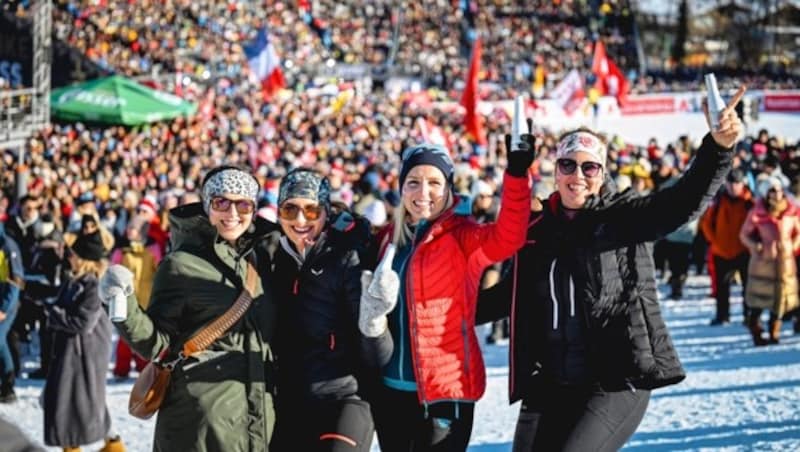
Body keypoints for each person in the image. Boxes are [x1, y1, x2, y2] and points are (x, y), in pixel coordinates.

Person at [476, 86, 745, 452]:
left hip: (615, 378)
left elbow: (681, 202)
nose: (578, 175)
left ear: (602, 173)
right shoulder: (538, 230)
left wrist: (718, 148)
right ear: (555, 171)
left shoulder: (624, 216)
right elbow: (507, 297)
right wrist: (435, 308)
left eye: (590, 166)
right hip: (552, 378)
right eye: (568, 164)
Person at [364, 139, 534, 451]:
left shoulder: (463, 236)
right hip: (391, 388)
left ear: (449, 189)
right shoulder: (389, 237)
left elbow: (508, 237)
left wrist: (517, 175)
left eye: (434, 183)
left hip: (446, 388)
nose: (423, 193)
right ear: (401, 188)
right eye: (413, 182)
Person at [99, 165, 279, 451]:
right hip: (200, 425)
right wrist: (124, 305)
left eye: (243, 204)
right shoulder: (180, 264)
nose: (233, 213)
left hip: (259, 422)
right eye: (222, 202)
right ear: (207, 205)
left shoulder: (260, 261)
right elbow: (157, 344)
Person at [267, 168, 389, 451]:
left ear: (325, 212)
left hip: (345, 397)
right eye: (290, 209)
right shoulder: (272, 256)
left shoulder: (348, 256)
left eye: (311, 211)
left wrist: (375, 324)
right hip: (291, 398)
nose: (299, 220)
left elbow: (378, 357)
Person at [42, 225, 124, 452]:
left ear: (85, 259)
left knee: (74, 407)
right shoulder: (77, 280)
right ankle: (111, 445)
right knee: (83, 405)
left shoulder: (96, 285)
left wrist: (52, 313)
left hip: (85, 355)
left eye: (73, 254)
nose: (69, 257)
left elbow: (83, 322)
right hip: (75, 354)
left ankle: (106, 446)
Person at [739, 177, 800, 346]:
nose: (777, 194)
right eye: (773, 191)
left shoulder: (791, 211)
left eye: (779, 190)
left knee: (780, 299)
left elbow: (798, 232)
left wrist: (793, 244)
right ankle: (756, 330)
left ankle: (774, 333)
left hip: (785, 263)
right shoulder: (757, 212)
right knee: (758, 300)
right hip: (763, 263)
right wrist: (756, 246)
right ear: (766, 193)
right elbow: (744, 234)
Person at [701, 166, 754, 325]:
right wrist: (714, 242)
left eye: (736, 183)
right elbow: (706, 224)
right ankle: (722, 315)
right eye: (730, 183)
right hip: (721, 251)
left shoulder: (750, 202)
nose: (733, 186)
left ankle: (748, 315)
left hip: (743, 251)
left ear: (742, 184)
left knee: (747, 287)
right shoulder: (717, 201)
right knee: (722, 288)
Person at [110, 216, 161, 379]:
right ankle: (121, 368)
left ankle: (143, 367)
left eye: (132, 228)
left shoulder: (153, 248)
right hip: (127, 298)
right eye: (128, 228)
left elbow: (160, 269)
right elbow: (113, 270)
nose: (128, 231)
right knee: (125, 335)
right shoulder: (121, 250)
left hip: (147, 297)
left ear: (141, 231)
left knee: (143, 334)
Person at [0, 222, 24, 403]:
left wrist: (4, 308)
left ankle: (9, 385)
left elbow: (15, 281)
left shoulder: (8, 246)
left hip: (6, 305)